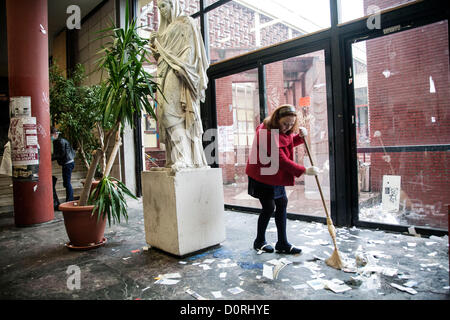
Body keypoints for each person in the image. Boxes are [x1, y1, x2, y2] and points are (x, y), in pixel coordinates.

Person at [246, 104, 320, 254]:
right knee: (268, 207)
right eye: (285, 123)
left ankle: (282, 243)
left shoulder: (279, 130)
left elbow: (286, 141)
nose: (288, 127)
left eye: (292, 124)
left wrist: (299, 137)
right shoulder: (266, 133)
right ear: (277, 119)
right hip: (262, 176)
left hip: (273, 175)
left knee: (282, 203)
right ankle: (259, 241)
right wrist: (304, 170)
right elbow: (281, 159)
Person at [149, 0, 209, 172]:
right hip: (163, 71)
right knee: (163, 114)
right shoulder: (165, 29)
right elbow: (160, 55)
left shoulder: (186, 22)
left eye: (164, 5)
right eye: (159, 7)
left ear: (173, 4)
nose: (161, 10)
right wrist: (155, 44)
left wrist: (183, 66)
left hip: (178, 70)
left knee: (172, 112)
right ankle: (172, 159)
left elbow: (192, 49)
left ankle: (184, 159)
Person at [51, 127, 75, 203]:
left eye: (51, 135)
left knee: (67, 183)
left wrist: (50, 158)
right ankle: (69, 199)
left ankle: (70, 200)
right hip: (68, 162)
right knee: (66, 183)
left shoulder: (60, 141)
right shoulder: (61, 140)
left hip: (67, 163)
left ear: (54, 134)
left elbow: (61, 154)